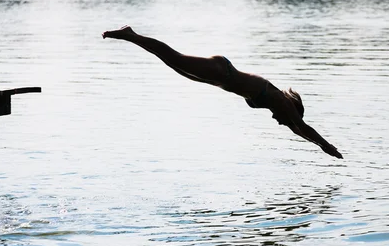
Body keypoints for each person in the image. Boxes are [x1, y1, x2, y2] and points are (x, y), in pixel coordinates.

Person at [102, 26, 343, 159]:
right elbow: (301, 126)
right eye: (284, 120)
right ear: (292, 109)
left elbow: (296, 129)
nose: (278, 122)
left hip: (218, 78)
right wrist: (325, 145)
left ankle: (130, 36)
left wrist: (317, 145)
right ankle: (129, 34)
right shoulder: (282, 101)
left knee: (171, 62)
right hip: (221, 71)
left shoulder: (275, 103)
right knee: (173, 57)